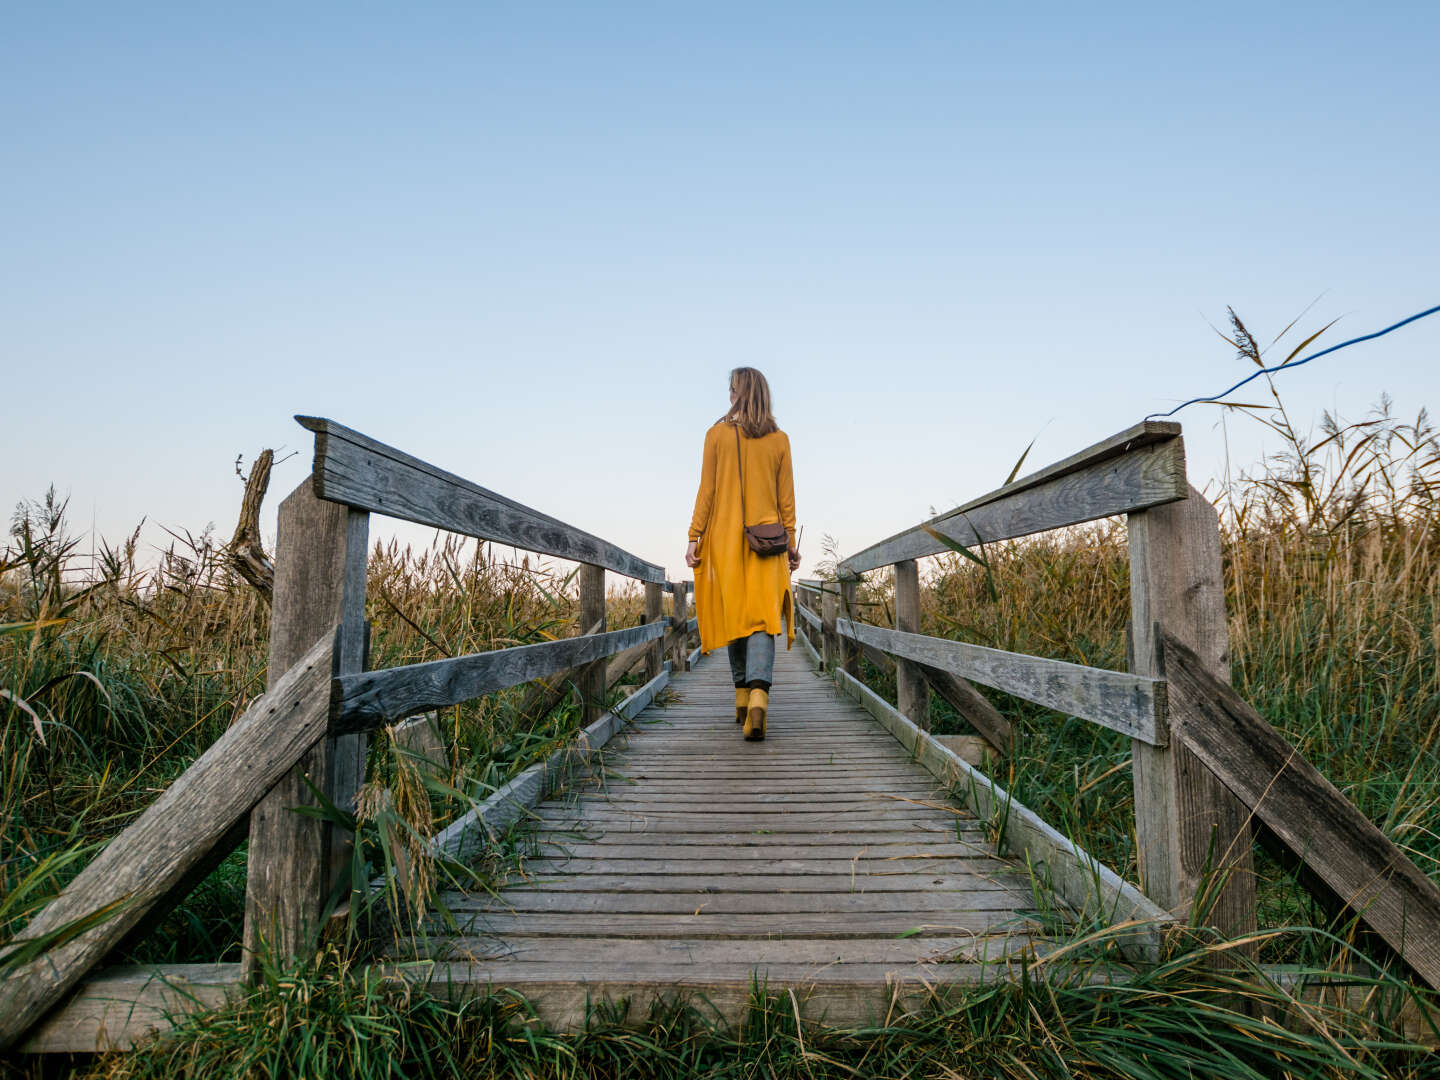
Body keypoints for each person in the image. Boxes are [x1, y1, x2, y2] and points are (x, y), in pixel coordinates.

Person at [686, 367, 800, 741]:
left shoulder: (716, 436)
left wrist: (694, 536)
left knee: (735, 614)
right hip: (768, 541)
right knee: (763, 620)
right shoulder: (780, 440)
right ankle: (757, 698)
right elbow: (787, 502)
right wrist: (792, 543)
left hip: (725, 541)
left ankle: (739, 697)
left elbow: (707, 491)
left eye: (731, 389)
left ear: (737, 393)